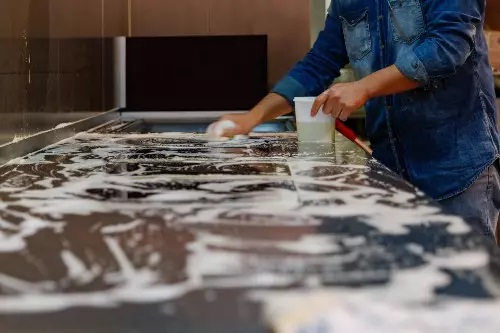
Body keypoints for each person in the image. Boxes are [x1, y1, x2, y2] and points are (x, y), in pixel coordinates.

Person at [212, 0, 500, 240]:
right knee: (407, 292)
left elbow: (446, 48)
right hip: (390, 172)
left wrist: (363, 87)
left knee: (465, 292)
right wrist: (251, 118)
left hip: (456, 169)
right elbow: (318, 64)